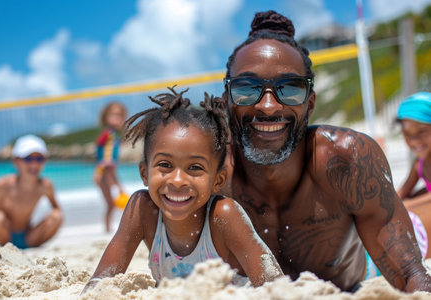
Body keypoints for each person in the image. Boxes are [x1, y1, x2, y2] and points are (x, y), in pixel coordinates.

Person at [221, 10, 431, 293]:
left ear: (310, 103)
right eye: (246, 89)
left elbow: (411, 275)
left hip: (366, 260)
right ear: (227, 101)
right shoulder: (209, 174)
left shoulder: (347, 159)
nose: (268, 106)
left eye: (289, 89)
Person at [82, 87, 283, 293]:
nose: (177, 180)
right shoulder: (142, 211)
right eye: (165, 165)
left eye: (195, 167)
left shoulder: (223, 216)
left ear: (217, 180)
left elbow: (276, 286)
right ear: (144, 174)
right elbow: (99, 285)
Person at [0, 134, 63, 249]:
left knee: (57, 216)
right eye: (28, 159)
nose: (34, 163)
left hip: (28, 237)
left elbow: (57, 209)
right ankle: (5, 249)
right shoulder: (3, 185)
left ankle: (32, 247)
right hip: (2, 236)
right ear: (16, 161)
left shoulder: (45, 185)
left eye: (39, 159)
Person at [396, 91, 431, 259]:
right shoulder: (420, 163)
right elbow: (402, 192)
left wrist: (406, 206)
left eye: (422, 132)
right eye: (408, 135)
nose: (415, 141)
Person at [94, 101, 128, 232]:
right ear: (106, 117)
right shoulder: (108, 133)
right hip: (104, 170)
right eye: (113, 115)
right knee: (111, 203)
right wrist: (101, 164)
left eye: (119, 115)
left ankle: (108, 229)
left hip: (109, 169)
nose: (117, 118)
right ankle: (107, 229)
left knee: (112, 203)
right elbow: (99, 145)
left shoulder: (114, 134)